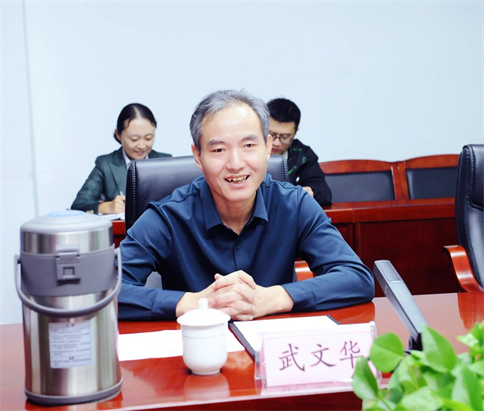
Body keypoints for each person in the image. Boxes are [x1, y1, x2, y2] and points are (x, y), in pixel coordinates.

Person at [118, 90, 374, 321]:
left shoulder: (294, 205)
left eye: (249, 145)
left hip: (276, 349)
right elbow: (105, 291)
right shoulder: (168, 216)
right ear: (198, 156)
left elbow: (356, 277)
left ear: (268, 148)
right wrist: (196, 303)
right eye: (219, 150)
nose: (236, 163)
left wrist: (272, 299)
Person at [71, 103, 171, 214]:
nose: (142, 146)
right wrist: (107, 207)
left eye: (148, 138)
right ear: (118, 134)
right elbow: (79, 205)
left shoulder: (166, 162)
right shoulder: (105, 164)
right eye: (134, 139)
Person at [267, 98, 332, 206]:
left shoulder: (303, 155)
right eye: (271, 134)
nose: (276, 143)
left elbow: (324, 192)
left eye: (285, 137)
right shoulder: (247, 150)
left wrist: (309, 192)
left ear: (295, 132)